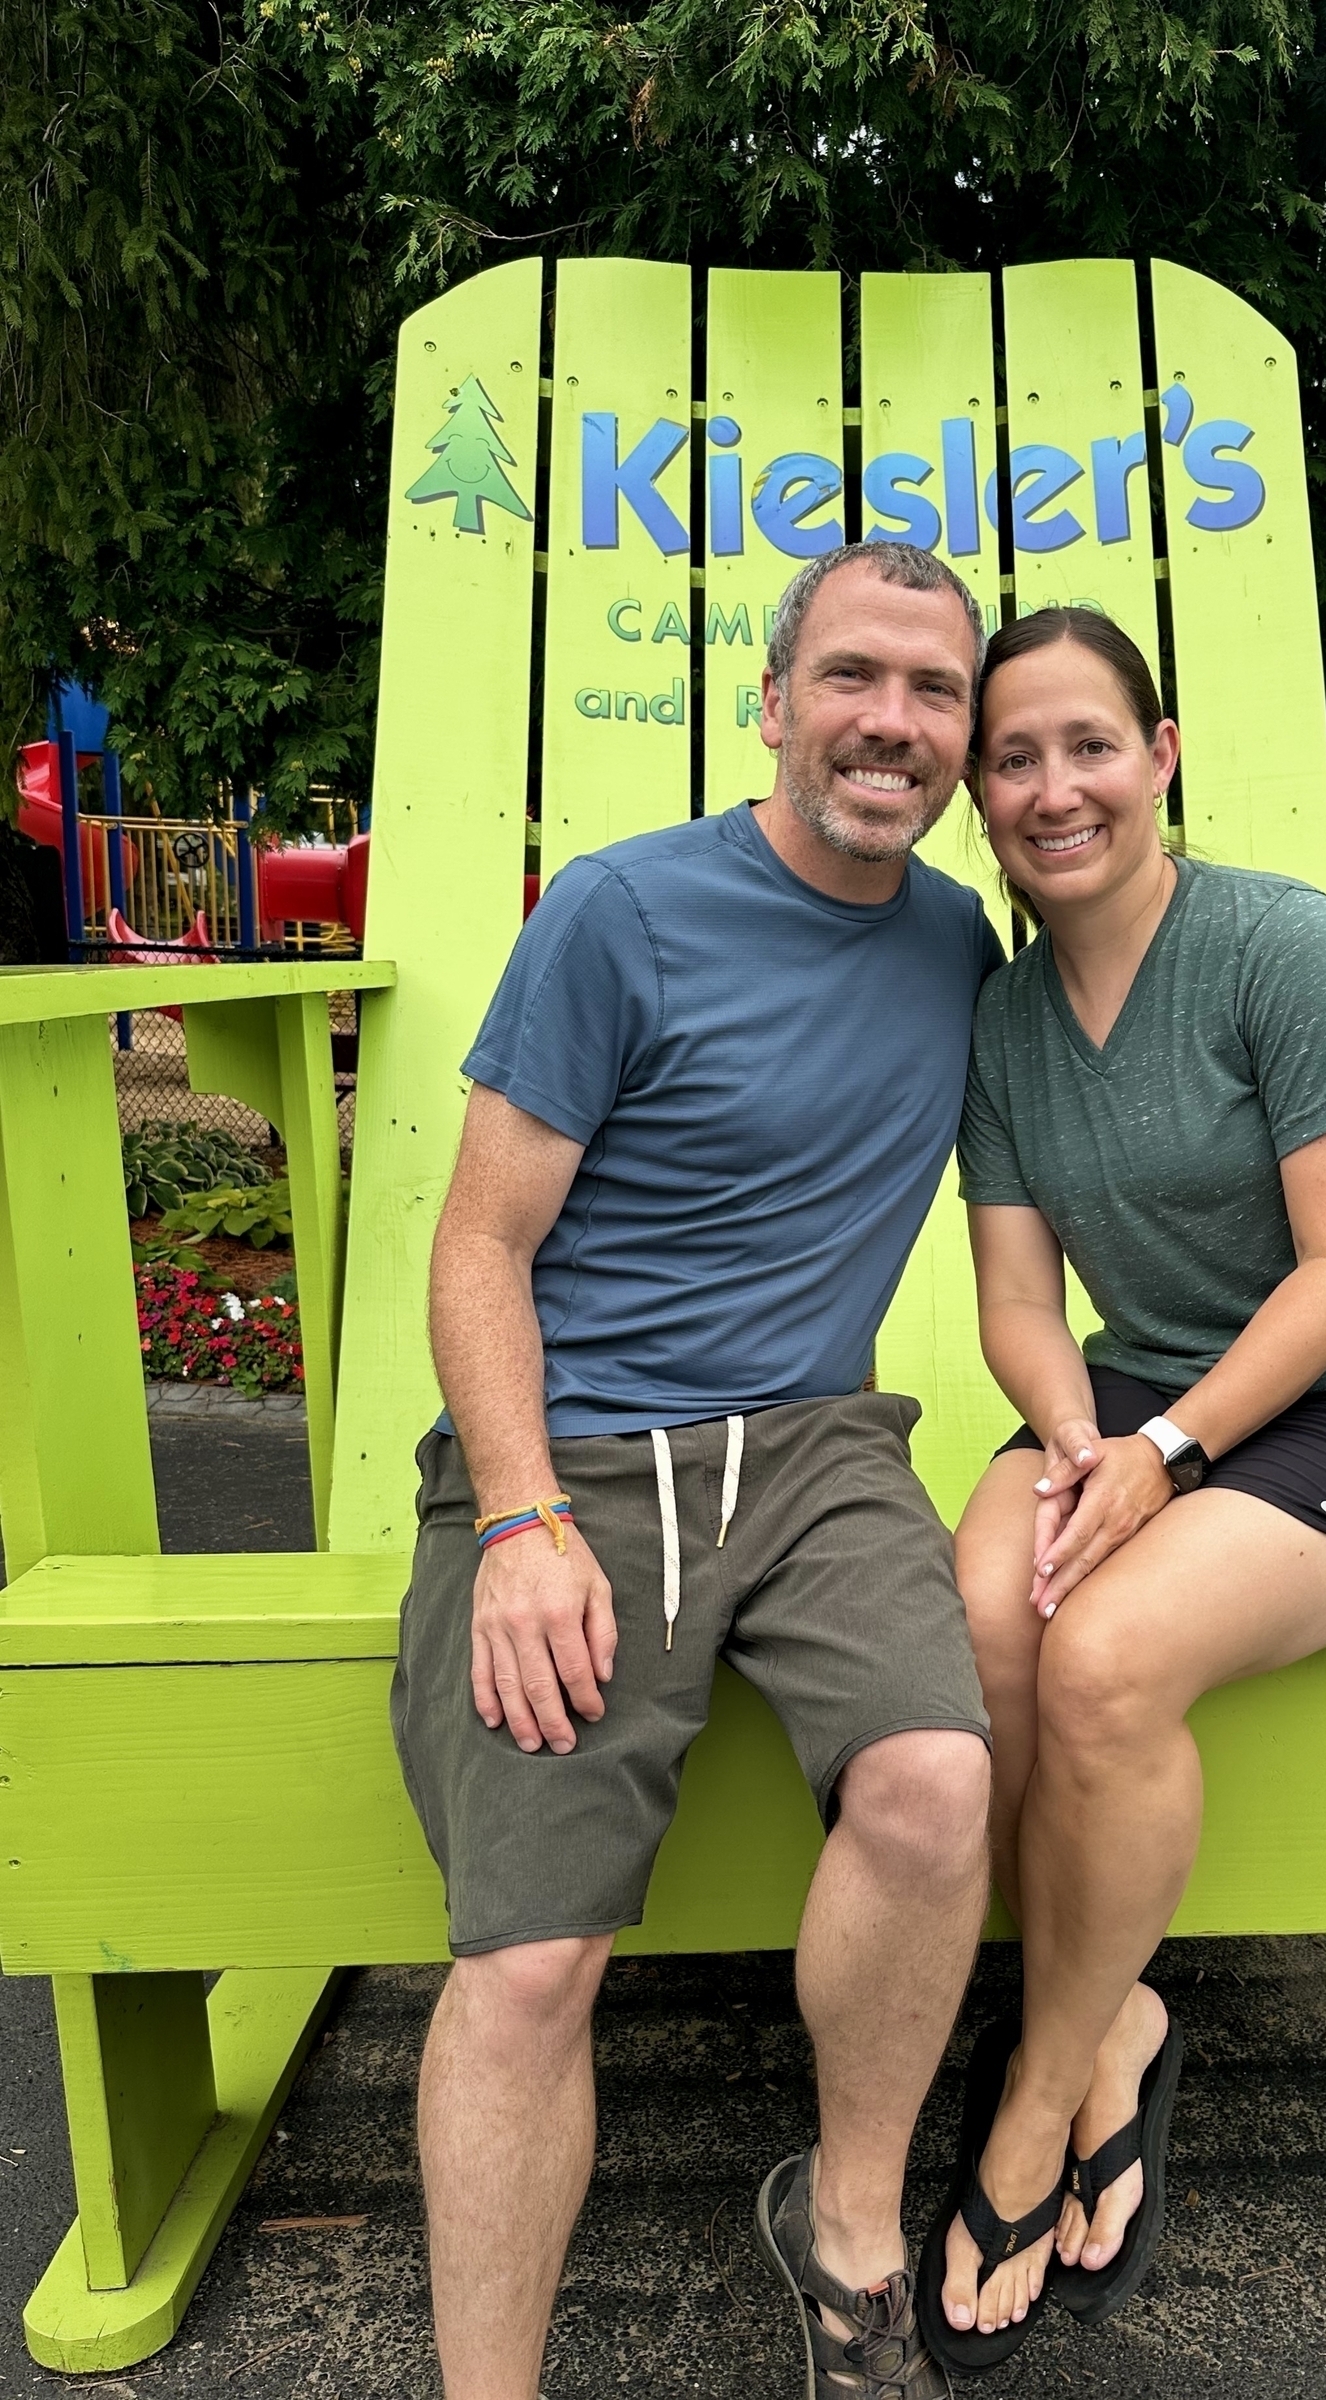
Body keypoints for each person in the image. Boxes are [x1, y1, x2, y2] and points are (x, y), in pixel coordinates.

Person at [396, 542, 1007, 2400]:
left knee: (932, 1786)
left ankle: (843, 2234)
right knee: (528, 1965)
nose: (890, 721)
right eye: (852, 677)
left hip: (818, 1449)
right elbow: (479, 1246)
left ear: (966, 741)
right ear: (772, 701)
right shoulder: (621, 912)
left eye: (932, 692)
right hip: (573, 1454)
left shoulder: (958, 947)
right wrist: (516, 1520)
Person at [918, 608, 1326, 2373]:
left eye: (1087, 743)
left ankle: (1037, 2097)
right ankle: (1120, 2028)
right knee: (980, 1620)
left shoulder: (1277, 944)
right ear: (979, 794)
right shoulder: (1005, 1018)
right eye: (1011, 758)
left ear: (1158, 755)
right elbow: (1021, 1300)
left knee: (1101, 1662)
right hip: (1141, 1394)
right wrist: (1079, 1435)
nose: (1051, 787)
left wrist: (1166, 1462)